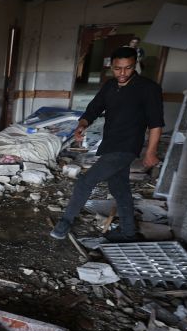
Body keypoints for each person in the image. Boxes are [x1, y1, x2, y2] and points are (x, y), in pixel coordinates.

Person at [50, 46, 163, 242]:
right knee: (119, 188)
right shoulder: (110, 86)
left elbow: (156, 124)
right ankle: (128, 233)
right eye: (118, 68)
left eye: (127, 68)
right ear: (111, 66)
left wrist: (150, 151)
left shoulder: (148, 88)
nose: (122, 73)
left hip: (127, 146)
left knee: (86, 181)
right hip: (110, 142)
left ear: (134, 65)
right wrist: (82, 124)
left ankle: (65, 222)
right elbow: (94, 108)